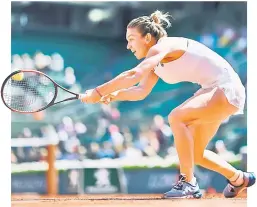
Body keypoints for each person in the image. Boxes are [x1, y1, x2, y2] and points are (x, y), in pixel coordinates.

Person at [80, 10, 255, 199]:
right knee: (196, 153)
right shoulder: (155, 61)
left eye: (132, 39)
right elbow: (140, 91)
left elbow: (133, 75)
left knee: (176, 117)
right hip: (212, 91)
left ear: (147, 37)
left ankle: (188, 183)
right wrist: (113, 95)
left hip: (225, 88)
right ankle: (239, 178)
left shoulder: (163, 46)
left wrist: (98, 92)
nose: (129, 45)